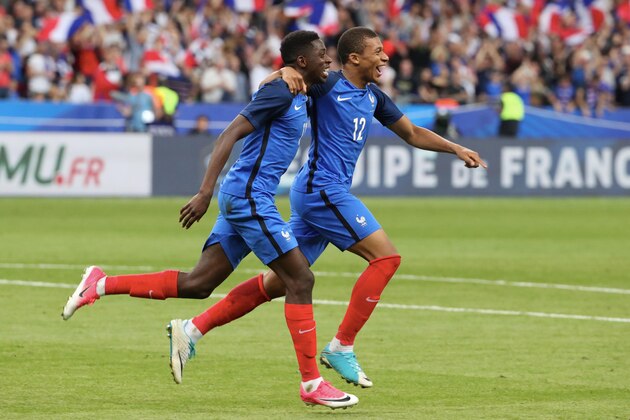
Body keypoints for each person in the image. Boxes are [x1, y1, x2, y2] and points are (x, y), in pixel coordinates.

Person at [171, 27, 487, 390]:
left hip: (320, 192)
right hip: (322, 190)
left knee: (280, 283)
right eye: (378, 51)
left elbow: (412, 133)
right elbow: (284, 82)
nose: (386, 58)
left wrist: (455, 148)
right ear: (355, 58)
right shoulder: (326, 85)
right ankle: (341, 346)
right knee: (386, 259)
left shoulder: (374, 98)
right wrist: (283, 72)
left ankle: (192, 329)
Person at [61, 31, 358, 410]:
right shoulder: (281, 91)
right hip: (250, 197)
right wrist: (205, 192)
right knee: (300, 279)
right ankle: (312, 384)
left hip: (245, 196)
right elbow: (230, 133)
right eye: (321, 55)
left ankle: (101, 283)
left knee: (199, 284)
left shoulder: (300, 87)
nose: (328, 60)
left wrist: (276, 72)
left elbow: (317, 79)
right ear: (302, 61)